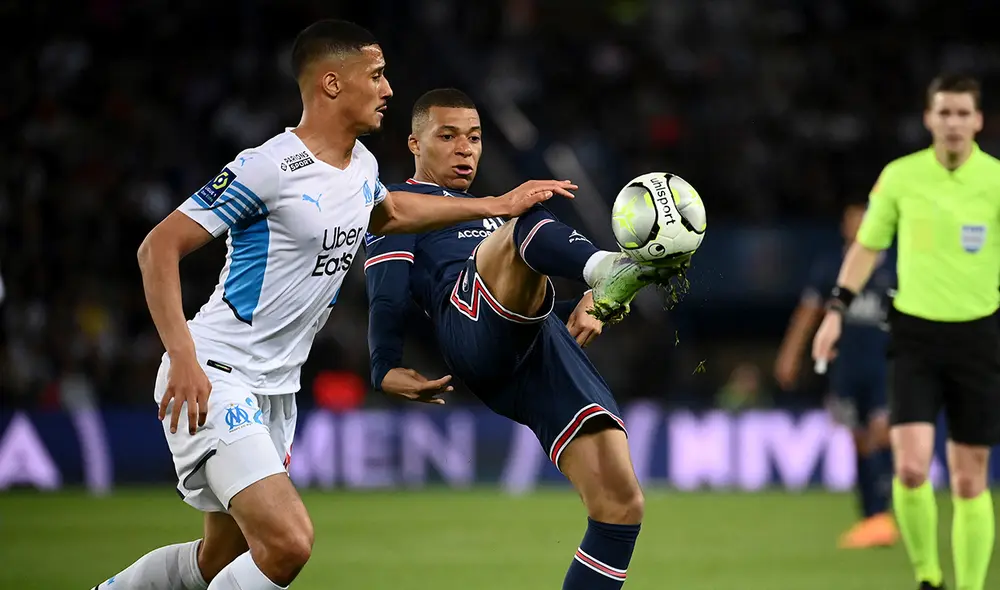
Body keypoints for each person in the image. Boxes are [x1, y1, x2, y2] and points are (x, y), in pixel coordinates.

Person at [95, 21, 574, 590]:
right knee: (288, 543)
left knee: (219, 561)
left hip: (276, 391)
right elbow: (158, 248)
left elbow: (392, 213)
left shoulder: (362, 166)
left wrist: (497, 203)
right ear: (331, 83)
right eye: (376, 76)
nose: (388, 89)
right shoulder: (268, 166)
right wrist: (183, 357)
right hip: (217, 373)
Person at [364, 88, 675, 590]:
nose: (465, 149)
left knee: (620, 506)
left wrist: (593, 303)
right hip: (468, 323)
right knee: (524, 220)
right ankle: (607, 269)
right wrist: (384, 364)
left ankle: (603, 281)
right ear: (415, 144)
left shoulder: (491, 211)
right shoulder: (399, 205)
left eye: (474, 138)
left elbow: (533, 285)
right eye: (448, 136)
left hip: (539, 343)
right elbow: (386, 291)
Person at [812, 74, 1000, 590]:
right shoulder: (900, 177)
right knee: (912, 469)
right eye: (945, 112)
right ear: (928, 118)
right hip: (915, 337)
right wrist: (836, 309)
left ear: (978, 121)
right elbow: (867, 246)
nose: (953, 122)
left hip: (979, 338)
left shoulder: (995, 180)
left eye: (963, 113)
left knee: (969, 480)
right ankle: (928, 578)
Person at [775, 204, 898, 549]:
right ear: (845, 225)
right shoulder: (832, 267)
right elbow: (808, 313)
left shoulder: (895, 267)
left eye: (865, 220)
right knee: (859, 439)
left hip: (886, 366)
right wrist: (790, 355)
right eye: (853, 220)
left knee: (881, 432)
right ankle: (870, 516)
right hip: (846, 367)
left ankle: (882, 515)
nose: (859, 227)